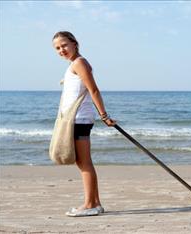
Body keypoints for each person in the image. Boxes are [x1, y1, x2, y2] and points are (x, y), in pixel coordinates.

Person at [52, 31, 116, 217]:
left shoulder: (79, 62)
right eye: (57, 48)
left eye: (64, 45)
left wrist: (104, 116)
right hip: (77, 119)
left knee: (84, 163)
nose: (61, 50)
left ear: (74, 43)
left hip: (79, 119)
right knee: (84, 162)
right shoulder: (75, 64)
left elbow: (93, 89)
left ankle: (89, 205)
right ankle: (95, 203)